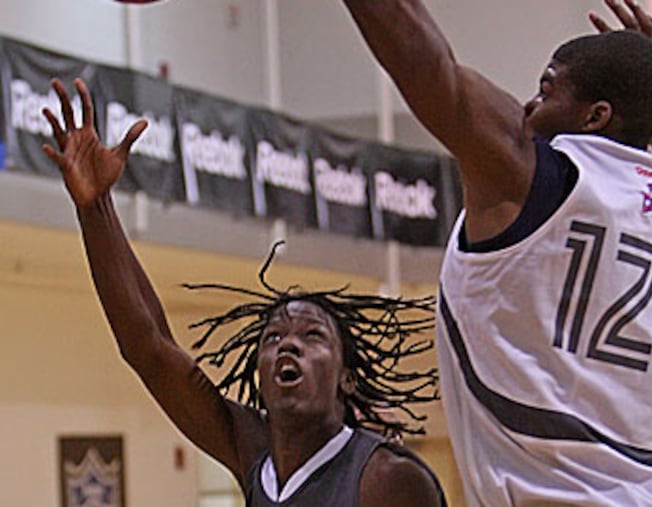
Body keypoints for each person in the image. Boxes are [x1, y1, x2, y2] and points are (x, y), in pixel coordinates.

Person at [340, 0, 652, 505]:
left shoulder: (536, 177)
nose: (528, 106)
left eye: (546, 88)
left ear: (596, 115)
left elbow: (429, 66)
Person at [41, 78, 447, 507]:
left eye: (312, 336)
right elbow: (149, 346)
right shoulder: (253, 451)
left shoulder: (388, 479)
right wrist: (95, 207)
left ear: (346, 376)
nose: (288, 344)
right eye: (273, 338)